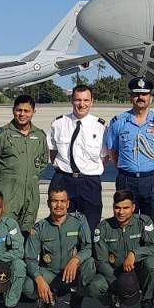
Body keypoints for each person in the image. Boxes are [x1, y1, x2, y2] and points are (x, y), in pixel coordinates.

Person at [104, 78, 154, 224]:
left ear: (150, 97)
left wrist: (150, 169)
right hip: (126, 179)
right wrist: (126, 168)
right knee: (125, 223)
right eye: (136, 94)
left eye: (144, 94)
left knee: (152, 224)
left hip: (152, 180)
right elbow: (112, 152)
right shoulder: (119, 122)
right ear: (131, 97)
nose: (140, 97)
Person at [86, 189, 154, 308]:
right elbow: (101, 261)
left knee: (152, 263)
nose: (121, 212)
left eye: (126, 208)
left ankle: (147, 301)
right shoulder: (103, 228)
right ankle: (113, 300)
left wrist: (135, 253)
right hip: (115, 273)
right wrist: (119, 284)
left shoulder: (144, 222)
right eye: (117, 208)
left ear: (133, 207)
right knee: (95, 286)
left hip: (139, 271)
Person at [0, 94, 48, 238]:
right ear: (13, 110)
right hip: (8, 194)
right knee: (5, 234)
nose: (22, 114)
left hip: (31, 195)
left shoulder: (40, 135)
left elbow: (43, 162)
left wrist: (32, 178)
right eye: (19, 110)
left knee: (26, 233)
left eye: (26, 111)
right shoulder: (3, 134)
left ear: (33, 112)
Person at [23, 186, 94, 308]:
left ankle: (76, 299)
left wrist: (75, 259)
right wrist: (39, 280)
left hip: (72, 271)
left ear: (68, 203)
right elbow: (30, 259)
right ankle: (49, 297)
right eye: (55, 201)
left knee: (89, 263)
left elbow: (88, 248)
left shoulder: (79, 221)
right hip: (50, 273)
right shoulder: (39, 228)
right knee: (28, 286)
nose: (59, 205)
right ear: (49, 203)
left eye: (62, 201)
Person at [48, 84, 107, 229]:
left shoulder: (100, 127)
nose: (82, 104)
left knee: (91, 227)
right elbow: (53, 152)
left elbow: (104, 157)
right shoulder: (59, 123)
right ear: (72, 101)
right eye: (78, 100)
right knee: (59, 226)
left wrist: (88, 171)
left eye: (86, 100)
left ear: (92, 102)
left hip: (89, 182)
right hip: (63, 180)